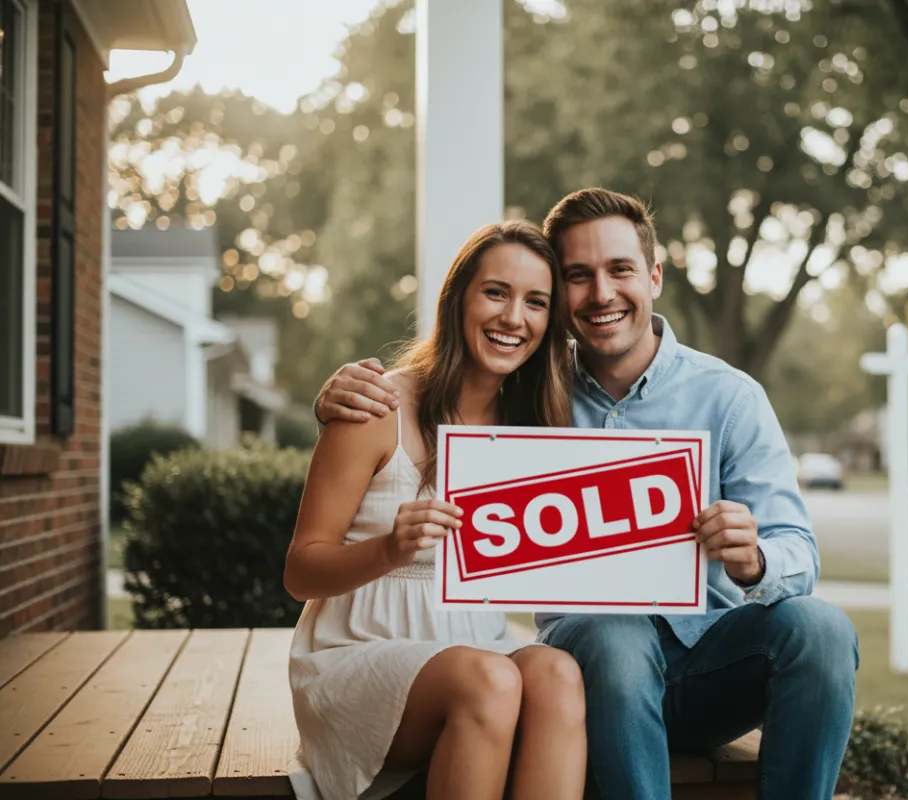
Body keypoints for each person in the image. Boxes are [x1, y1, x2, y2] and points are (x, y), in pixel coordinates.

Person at [315, 189, 859, 800]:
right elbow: (448, 385)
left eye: (620, 269)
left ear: (653, 275)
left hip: (712, 664)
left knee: (824, 629)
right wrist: (342, 393)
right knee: (613, 634)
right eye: (579, 276)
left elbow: (798, 552)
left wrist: (756, 557)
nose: (601, 294)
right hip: (594, 664)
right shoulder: (530, 388)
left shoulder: (730, 398)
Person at [285, 220, 587, 800]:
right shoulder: (376, 406)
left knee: (557, 674)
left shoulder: (533, 431)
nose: (513, 318)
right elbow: (300, 571)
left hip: (475, 649)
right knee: (490, 679)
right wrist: (387, 549)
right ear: (458, 300)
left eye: (536, 303)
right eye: (496, 292)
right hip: (358, 655)